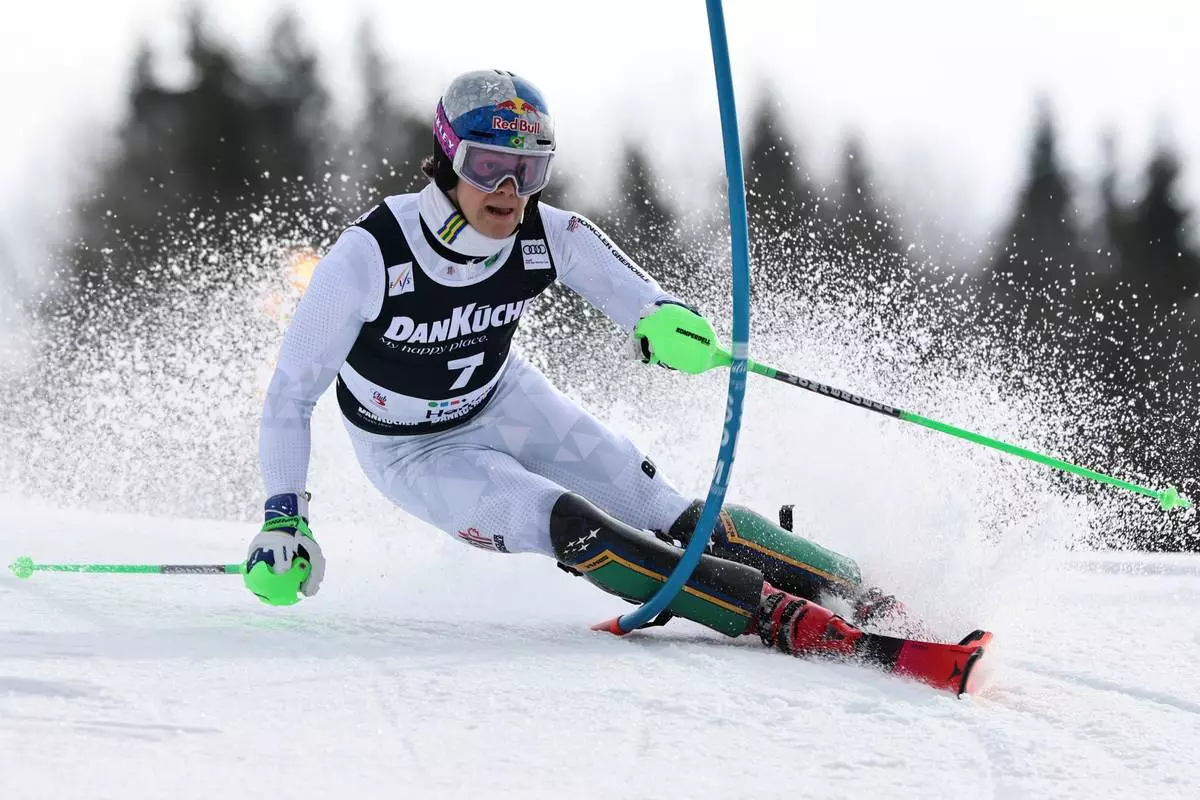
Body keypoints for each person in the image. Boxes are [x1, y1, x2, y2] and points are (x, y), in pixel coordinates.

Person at [244, 69, 980, 690]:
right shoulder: (370, 255)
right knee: (573, 524)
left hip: (503, 401)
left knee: (671, 512)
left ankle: (873, 600)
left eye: (530, 170)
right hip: (412, 452)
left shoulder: (543, 232)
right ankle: (778, 618)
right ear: (445, 161)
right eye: (487, 166)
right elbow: (290, 395)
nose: (509, 190)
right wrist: (285, 517)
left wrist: (667, 324)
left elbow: (635, 294)